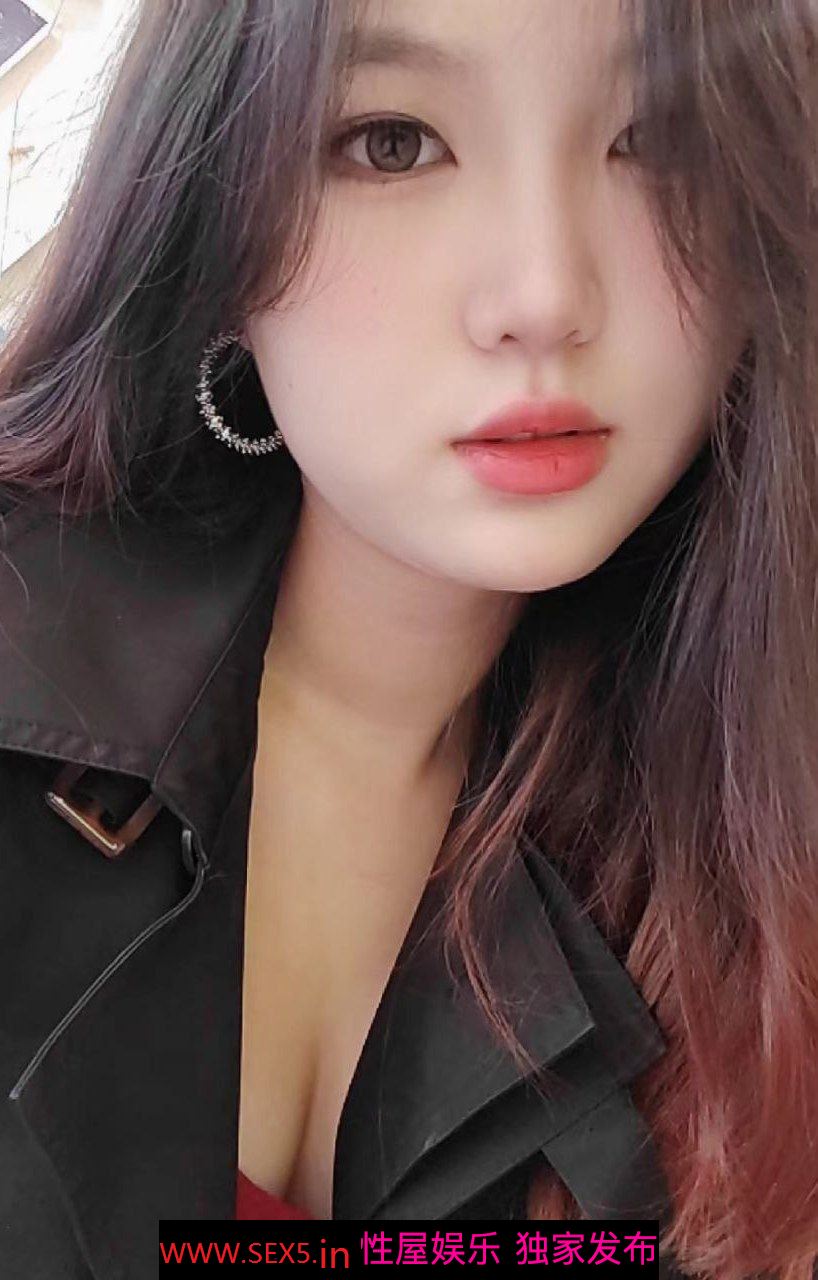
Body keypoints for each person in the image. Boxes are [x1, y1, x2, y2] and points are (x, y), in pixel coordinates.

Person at [0, 0, 815, 1276]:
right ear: (218, 218)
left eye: (659, 138)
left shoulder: (733, 844)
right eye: (392, 142)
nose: (543, 295)